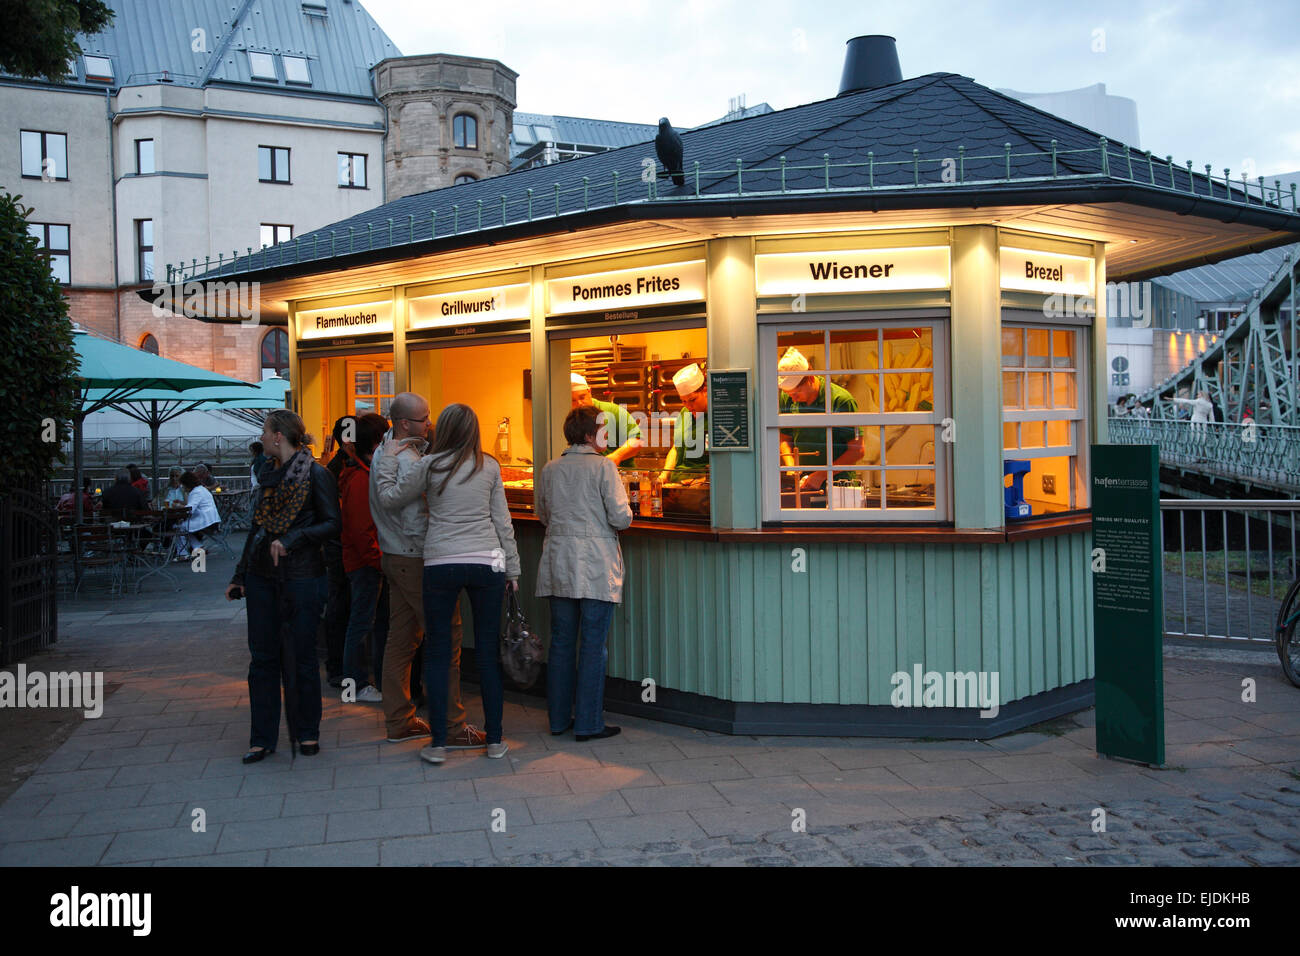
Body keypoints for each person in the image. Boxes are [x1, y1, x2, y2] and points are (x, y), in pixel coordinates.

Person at [375, 403, 519, 765]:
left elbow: (390, 498)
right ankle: (496, 740)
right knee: (487, 654)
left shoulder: (428, 465)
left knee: (438, 653)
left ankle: (439, 743)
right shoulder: (490, 466)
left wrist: (391, 456)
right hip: (487, 563)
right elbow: (503, 524)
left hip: (440, 562)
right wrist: (512, 570)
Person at [226, 409, 340, 764]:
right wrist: (240, 574)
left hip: (303, 577)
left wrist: (293, 538)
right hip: (263, 577)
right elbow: (258, 529)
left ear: (278, 436)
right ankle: (262, 738)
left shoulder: (317, 475)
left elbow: (333, 524)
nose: (260, 437)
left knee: (302, 657)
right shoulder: (267, 475)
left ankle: (307, 732)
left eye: (264, 431)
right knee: (262, 659)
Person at [373, 391, 483, 746]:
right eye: (424, 419)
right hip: (415, 558)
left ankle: (399, 721)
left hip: (394, 556)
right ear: (405, 423)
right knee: (445, 638)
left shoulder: (391, 450)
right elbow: (404, 510)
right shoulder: (403, 459)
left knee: (401, 641)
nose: (430, 423)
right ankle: (451, 726)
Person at [536, 405, 633, 741]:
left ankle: (558, 720)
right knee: (593, 645)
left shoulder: (550, 468)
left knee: (561, 643)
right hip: (594, 564)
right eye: (604, 430)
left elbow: (542, 514)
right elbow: (621, 518)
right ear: (591, 435)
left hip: (559, 562)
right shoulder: (604, 468)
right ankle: (589, 723)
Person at [339, 413, 390, 704]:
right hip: (365, 563)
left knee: (367, 621)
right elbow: (361, 530)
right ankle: (356, 684)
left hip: (367, 560)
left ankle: (363, 682)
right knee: (361, 622)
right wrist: (379, 560)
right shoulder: (359, 479)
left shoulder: (359, 473)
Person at [777, 347, 863, 493]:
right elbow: (784, 439)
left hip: (840, 488)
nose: (793, 398)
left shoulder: (840, 400)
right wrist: (792, 466)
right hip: (804, 487)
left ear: (810, 378)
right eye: (789, 394)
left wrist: (822, 475)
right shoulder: (788, 398)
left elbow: (858, 451)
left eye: (796, 393)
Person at [321, 416, 357, 688]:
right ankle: (340, 667)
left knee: (340, 605)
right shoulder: (341, 469)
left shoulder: (331, 468)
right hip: (342, 546)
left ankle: (340, 666)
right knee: (341, 605)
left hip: (338, 545)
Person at [570, 372, 642, 467]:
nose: (579, 403)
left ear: (589, 392)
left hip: (620, 474)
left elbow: (637, 440)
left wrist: (617, 456)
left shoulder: (612, 411)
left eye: (582, 397)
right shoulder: (570, 419)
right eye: (573, 400)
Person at [661, 362, 709, 484]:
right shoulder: (684, 413)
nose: (688, 406)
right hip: (677, 484)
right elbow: (676, 448)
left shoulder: (718, 416)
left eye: (692, 400)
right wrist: (665, 474)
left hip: (701, 487)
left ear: (705, 390)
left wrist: (703, 481)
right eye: (684, 401)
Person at [176, 471, 221, 558]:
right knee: (184, 527)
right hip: (211, 519)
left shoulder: (196, 492)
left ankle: (183, 553)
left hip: (206, 521)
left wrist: (178, 506)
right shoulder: (201, 489)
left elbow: (189, 509)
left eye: (183, 485)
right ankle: (198, 547)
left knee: (178, 528)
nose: (182, 487)